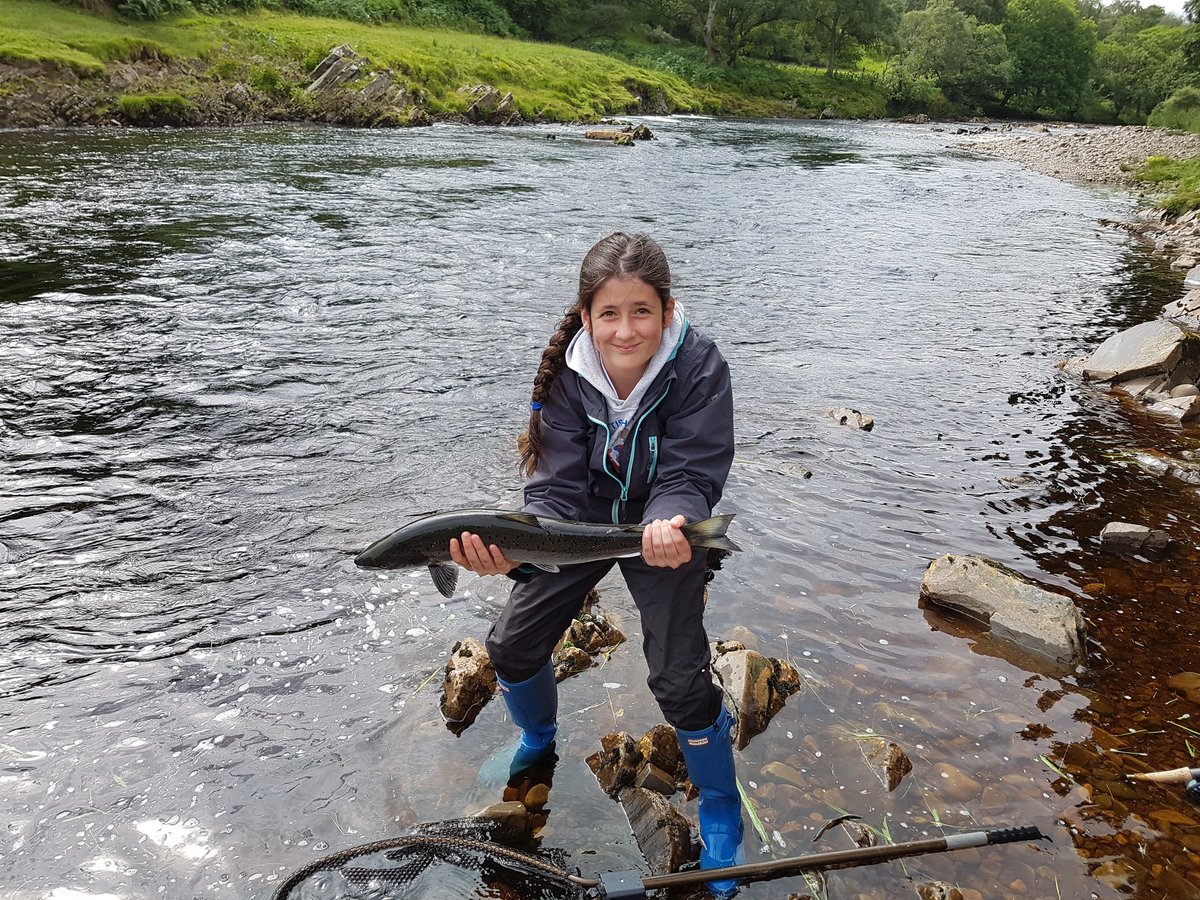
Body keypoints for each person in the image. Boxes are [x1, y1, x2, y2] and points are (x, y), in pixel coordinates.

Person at [449, 232, 745, 896]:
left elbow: (694, 470)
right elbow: (552, 487)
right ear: (585, 317)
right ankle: (537, 740)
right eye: (609, 314)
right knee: (514, 645)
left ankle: (721, 800)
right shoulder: (567, 373)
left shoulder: (698, 366)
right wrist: (514, 558)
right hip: (576, 518)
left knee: (676, 677)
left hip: (664, 526)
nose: (625, 329)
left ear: (668, 311)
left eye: (642, 311)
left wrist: (670, 521)